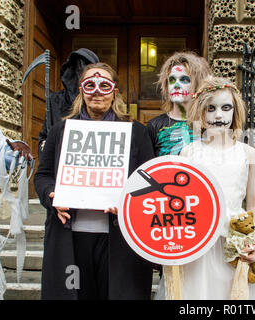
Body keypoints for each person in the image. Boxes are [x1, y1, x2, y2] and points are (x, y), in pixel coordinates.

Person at [34, 62, 155, 300]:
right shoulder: (61, 130)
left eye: (104, 85)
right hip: (71, 237)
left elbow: (148, 180)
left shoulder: (136, 132)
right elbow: (43, 175)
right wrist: (52, 196)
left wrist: (128, 204)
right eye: (90, 85)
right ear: (81, 91)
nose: (97, 91)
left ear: (114, 92)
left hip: (120, 239)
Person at [155, 76, 255, 300]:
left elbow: (254, 202)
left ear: (234, 111)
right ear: (201, 112)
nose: (218, 115)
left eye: (225, 108)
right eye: (211, 109)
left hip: (235, 241)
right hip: (199, 246)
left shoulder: (247, 153)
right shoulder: (189, 153)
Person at [146, 51, 212, 156]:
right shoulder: (154, 126)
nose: (176, 85)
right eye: (172, 80)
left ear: (198, 85)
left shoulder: (210, 123)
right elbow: (150, 168)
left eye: (184, 80)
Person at [38, 48, 99, 157]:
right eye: (78, 70)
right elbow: (45, 137)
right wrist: (45, 146)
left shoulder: (100, 101)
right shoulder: (56, 101)